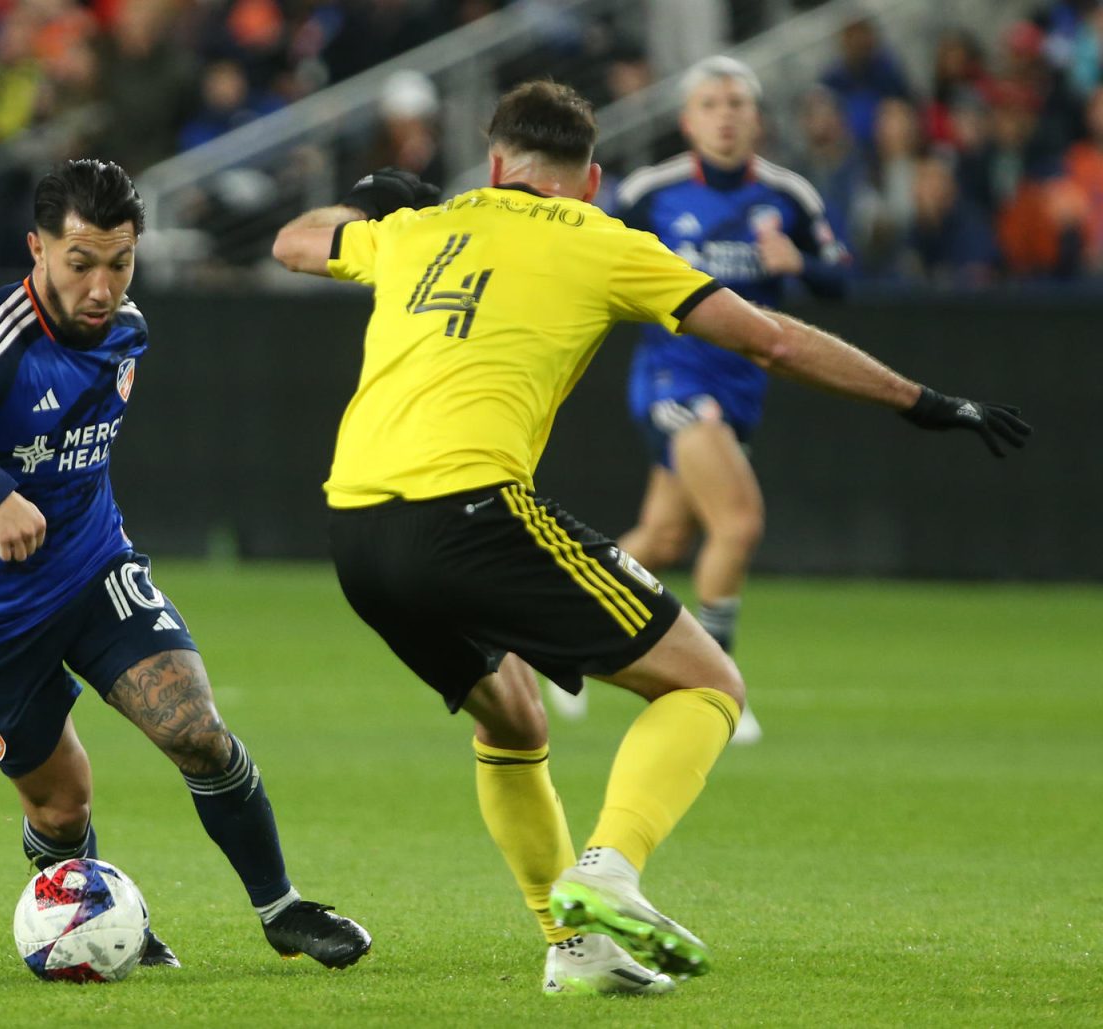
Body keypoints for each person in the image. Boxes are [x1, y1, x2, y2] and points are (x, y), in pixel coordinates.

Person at [270, 81, 1028, 997]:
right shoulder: (604, 241)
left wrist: (370, 198)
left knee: (513, 717)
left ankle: (575, 945)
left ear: (497, 163)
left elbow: (295, 241)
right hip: (468, 510)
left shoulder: (415, 231)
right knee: (708, 683)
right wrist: (923, 401)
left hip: (356, 533)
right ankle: (607, 871)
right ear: (589, 181)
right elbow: (773, 341)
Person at [0, 158, 371, 972]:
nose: (102, 287)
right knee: (62, 807)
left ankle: (281, 908)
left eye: (120, 261)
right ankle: (94, 911)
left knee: (196, 731)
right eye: (80, 262)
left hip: (94, 569)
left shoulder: (128, 328)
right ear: (36, 250)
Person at [576, 57, 852, 742]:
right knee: (738, 522)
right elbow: (587, 256)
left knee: (665, 535)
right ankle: (720, 684)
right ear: (687, 120)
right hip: (674, 381)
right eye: (711, 103)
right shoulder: (651, 191)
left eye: (737, 102)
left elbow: (839, 280)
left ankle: (547, 630)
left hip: (741, 388)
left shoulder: (789, 196)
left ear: (757, 117)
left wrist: (801, 265)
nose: (725, 115)